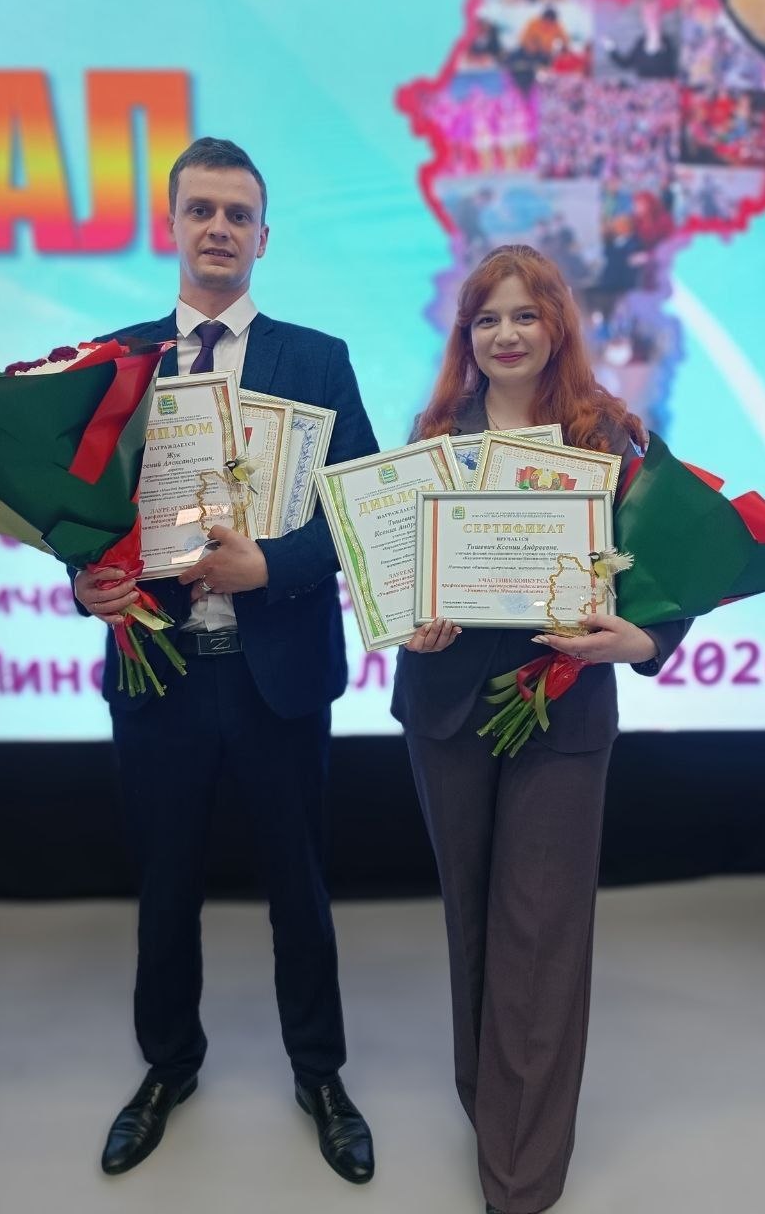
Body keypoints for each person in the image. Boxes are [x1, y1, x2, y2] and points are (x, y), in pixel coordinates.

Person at [73, 138, 378, 1181]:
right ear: (171, 225)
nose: (218, 228)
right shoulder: (117, 360)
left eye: (237, 214)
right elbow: (85, 513)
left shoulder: (318, 360)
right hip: (158, 672)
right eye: (200, 209)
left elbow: (358, 513)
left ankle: (320, 1074)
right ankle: (168, 1067)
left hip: (276, 674)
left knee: (300, 886)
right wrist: (86, 581)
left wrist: (271, 566)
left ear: (263, 237)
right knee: (164, 886)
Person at [391, 245, 690, 1214]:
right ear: (466, 335)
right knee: (474, 921)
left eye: (525, 314)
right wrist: (410, 616)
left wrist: (642, 638)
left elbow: (680, 562)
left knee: (541, 929)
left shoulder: (611, 436)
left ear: (558, 323)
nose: (506, 333)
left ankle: (519, 1176)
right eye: (487, 318)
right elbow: (395, 572)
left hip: (563, 709)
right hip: (444, 708)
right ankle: (494, 1108)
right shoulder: (433, 436)